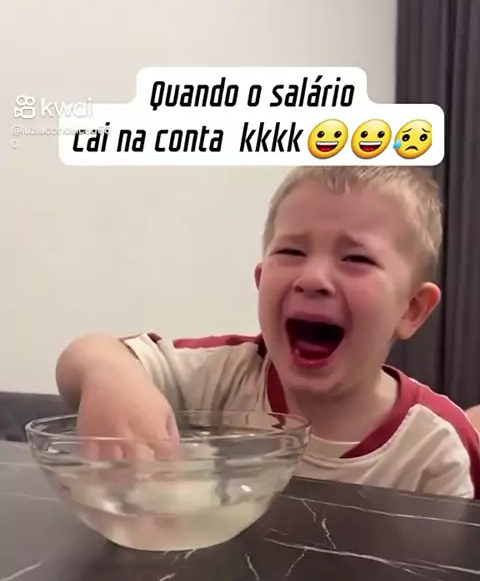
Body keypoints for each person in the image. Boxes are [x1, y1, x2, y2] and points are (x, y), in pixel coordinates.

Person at [56, 165, 480, 498]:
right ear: (261, 281)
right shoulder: (223, 376)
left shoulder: (436, 446)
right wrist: (110, 378)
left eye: (356, 258)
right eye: (292, 251)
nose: (312, 278)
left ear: (411, 309)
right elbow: (92, 353)